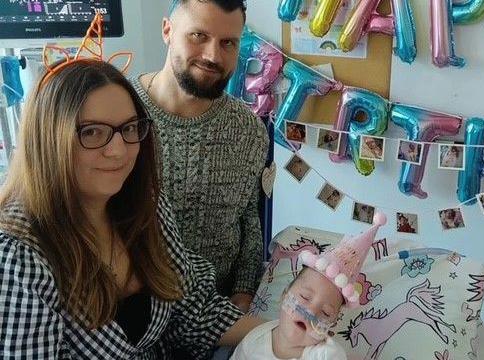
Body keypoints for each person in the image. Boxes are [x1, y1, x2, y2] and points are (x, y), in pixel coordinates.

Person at [0, 56, 262, 357]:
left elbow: (193, 312)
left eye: (129, 128)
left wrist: (280, 332)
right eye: (91, 132)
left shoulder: (146, 207)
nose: (118, 151)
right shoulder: (18, 256)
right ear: (48, 140)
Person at [131, 0, 268, 312]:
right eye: (198, 36)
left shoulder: (249, 130)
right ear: (167, 30)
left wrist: (244, 292)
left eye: (228, 43)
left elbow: (248, 216)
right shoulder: (121, 117)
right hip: (133, 317)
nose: (212, 56)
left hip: (219, 315)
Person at [231, 214, 387, 360]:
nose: (310, 312)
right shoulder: (254, 340)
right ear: (284, 295)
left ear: (331, 324)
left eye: (326, 313)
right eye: (305, 297)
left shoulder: (326, 355)